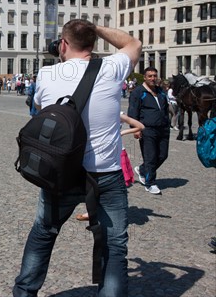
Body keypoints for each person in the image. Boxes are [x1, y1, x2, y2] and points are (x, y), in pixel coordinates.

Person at [13, 19, 141, 297]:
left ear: (63, 44)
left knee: (44, 233)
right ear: (94, 43)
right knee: (114, 245)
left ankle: (24, 292)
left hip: (61, 172)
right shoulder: (111, 67)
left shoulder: (47, 74)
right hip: (105, 172)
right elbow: (132, 43)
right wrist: (95, 27)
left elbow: (38, 108)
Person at [128, 67, 170, 195]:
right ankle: (150, 183)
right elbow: (133, 111)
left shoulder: (161, 92)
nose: (153, 78)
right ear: (145, 77)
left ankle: (142, 170)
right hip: (147, 129)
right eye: (150, 76)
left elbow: (166, 109)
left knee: (163, 155)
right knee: (150, 157)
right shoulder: (138, 92)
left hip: (162, 128)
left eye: (154, 76)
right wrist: (135, 129)